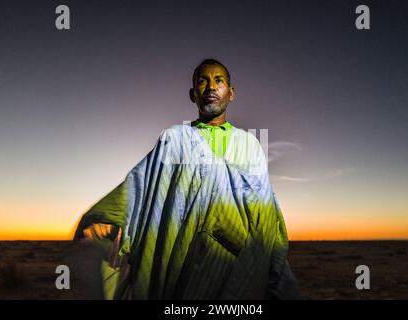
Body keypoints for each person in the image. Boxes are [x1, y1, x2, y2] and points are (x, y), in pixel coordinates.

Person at [71, 59, 300, 300]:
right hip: (181, 266)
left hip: (234, 268)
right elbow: (140, 188)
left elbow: (265, 215)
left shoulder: (250, 145)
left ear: (231, 93)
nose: (211, 87)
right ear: (193, 95)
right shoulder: (175, 139)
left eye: (219, 81)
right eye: (203, 82)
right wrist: (101, 221)